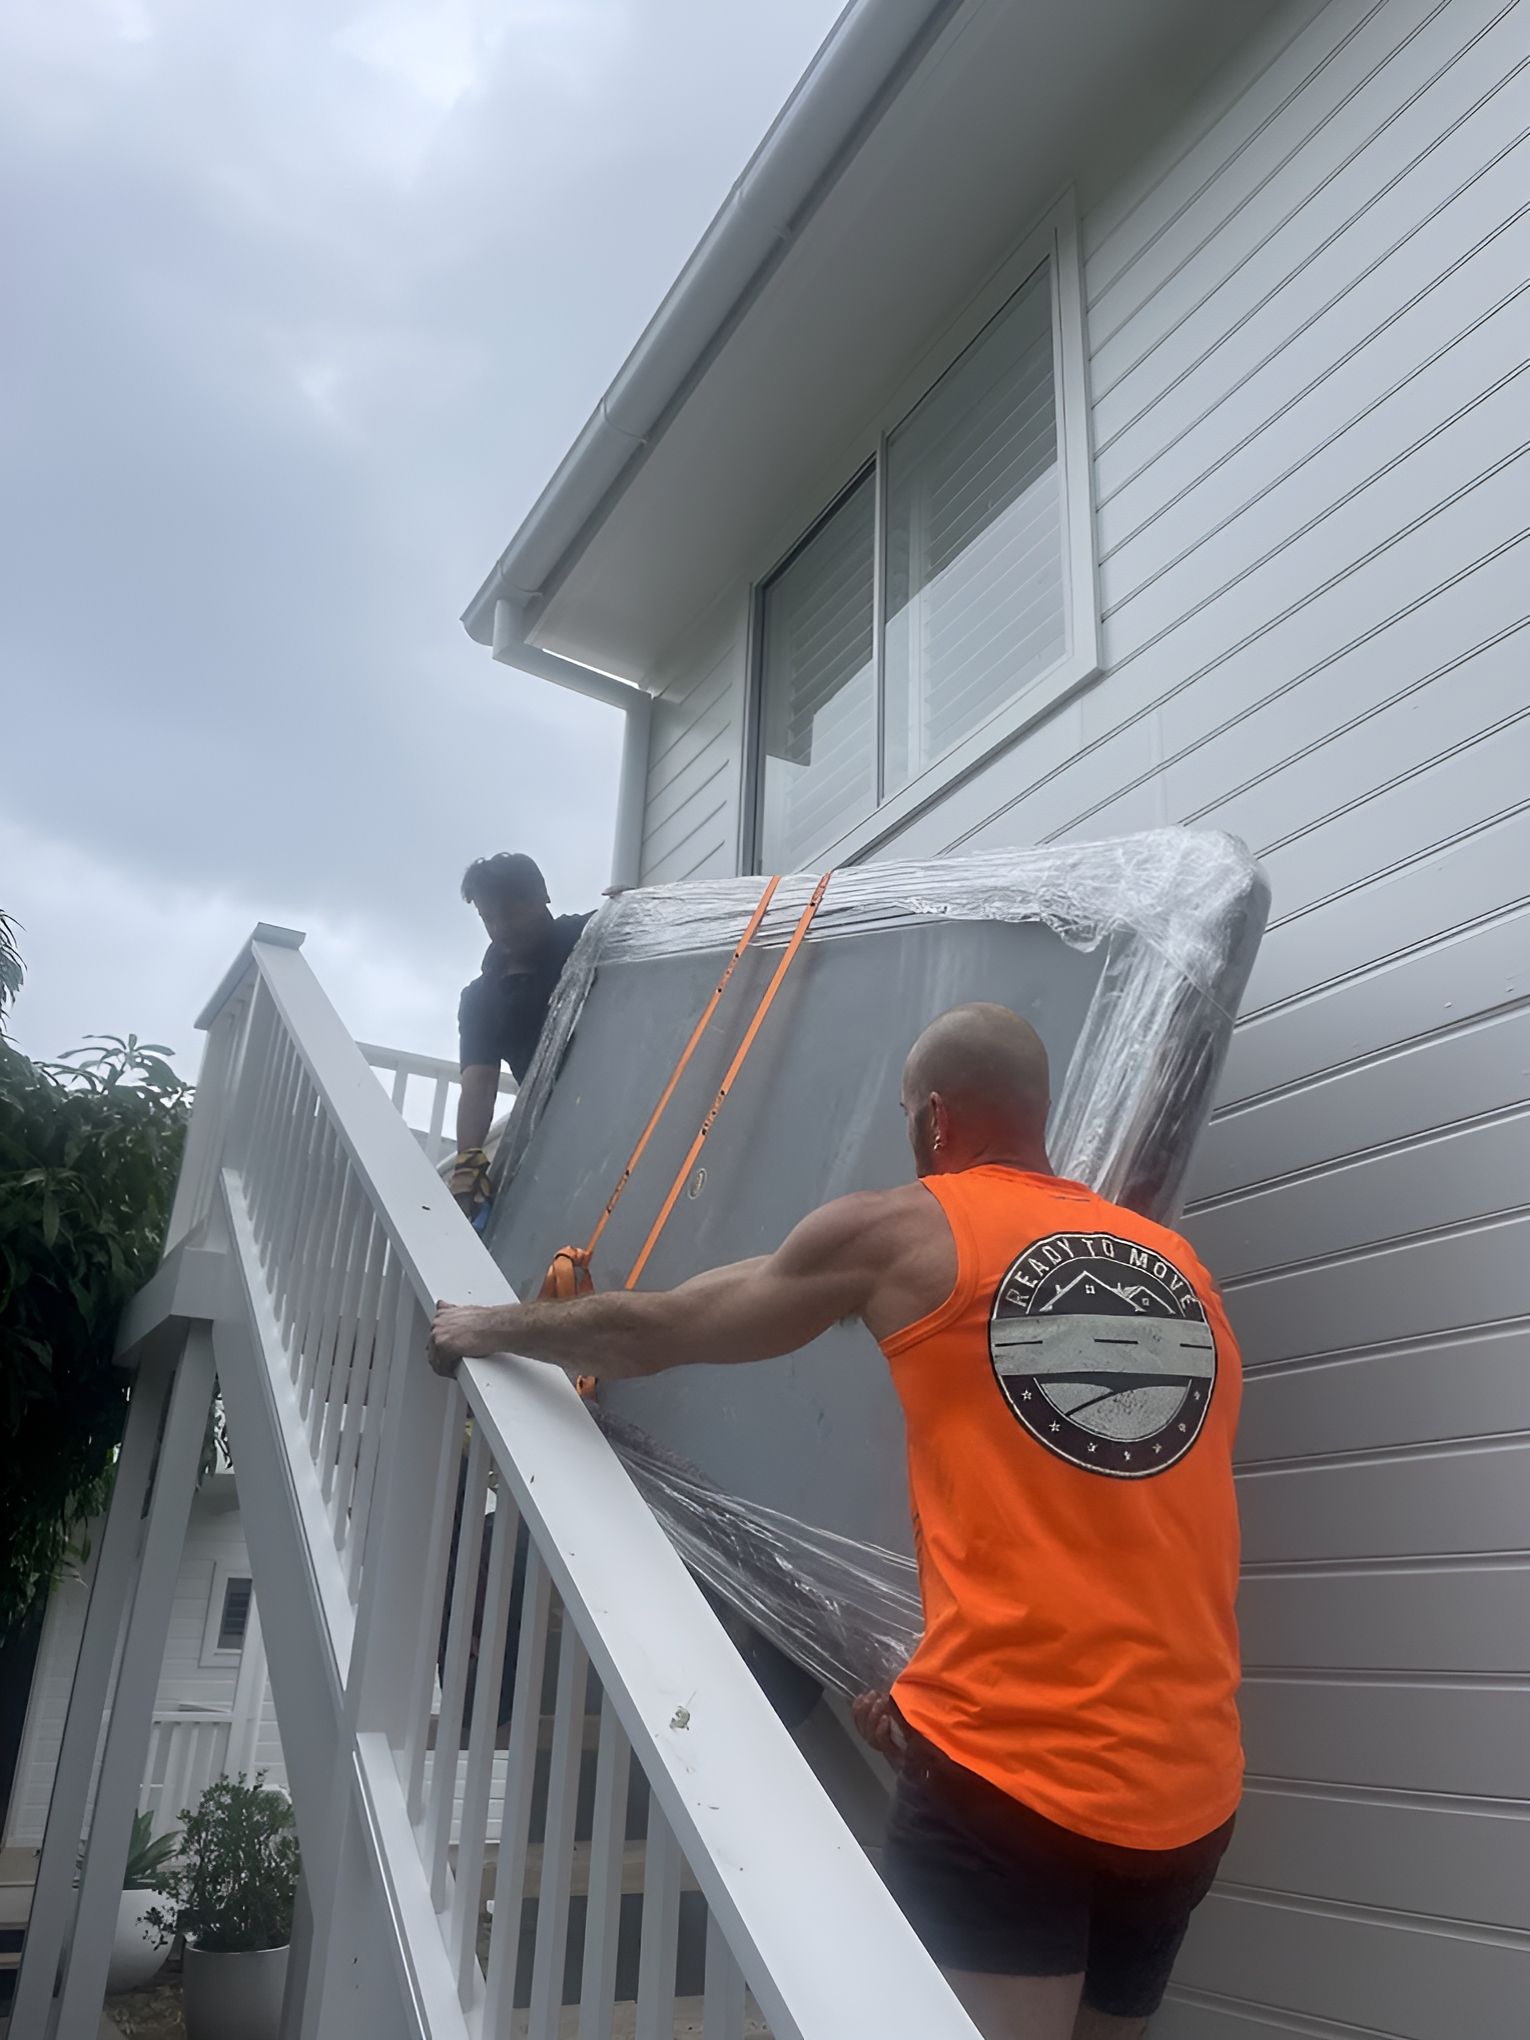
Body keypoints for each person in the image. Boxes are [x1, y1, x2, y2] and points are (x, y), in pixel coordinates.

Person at [429, 1003, 1243, 2040]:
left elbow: (664, 1329)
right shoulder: (1180, 1272)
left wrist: (487, 1323)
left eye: (909, 1112)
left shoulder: (903, 1229)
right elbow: (1094, 1515)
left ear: (935, 1119)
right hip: (1189, 1788)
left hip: (1015, 1778)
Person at [449, 853, 591, 1217]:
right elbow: (478, 1087)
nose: (501, 928)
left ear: (541, 895)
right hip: (558, 1138)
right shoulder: (482, 999)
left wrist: (631, 909)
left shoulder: (591, 936)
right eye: (488, 918)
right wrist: (468, 1166)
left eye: (509, 912)